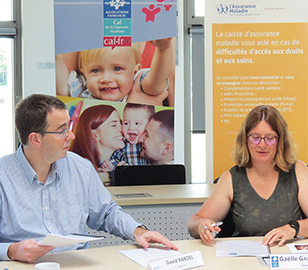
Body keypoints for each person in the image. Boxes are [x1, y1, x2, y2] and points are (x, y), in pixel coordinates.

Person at [0, 94, 177, 263]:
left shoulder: (80, 167)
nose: (71, 136)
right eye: (62, 131)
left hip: (75, 263)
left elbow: (106, 213)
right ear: (36, 139)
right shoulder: (3, 176)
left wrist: (137, 231)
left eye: (68, 127)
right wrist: (12, 251)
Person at [188, 105, 308, 247]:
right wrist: (202, 225)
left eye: (270, 138)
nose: (262, 145)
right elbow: (193, 223)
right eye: (255, 138)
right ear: (245, 140)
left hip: (286, 258)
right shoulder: (231, 178)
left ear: (281, 141)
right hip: (245, 259)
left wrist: (293, 228)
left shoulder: (298, 171)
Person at [56, 38, 173, 106]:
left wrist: (163, 51)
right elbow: (62, 88)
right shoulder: (83, 90)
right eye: (96, 70)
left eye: (117, 69)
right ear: (84, 74)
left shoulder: (138, 84)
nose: (106, 79)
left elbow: (156, 82)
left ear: (135, 71)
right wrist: (56, 57)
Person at [69, 104, 125, 172]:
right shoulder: (80, 167)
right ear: (95, 135)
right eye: (113, 125)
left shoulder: (119, 160)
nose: (123, 129)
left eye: (121, 123)